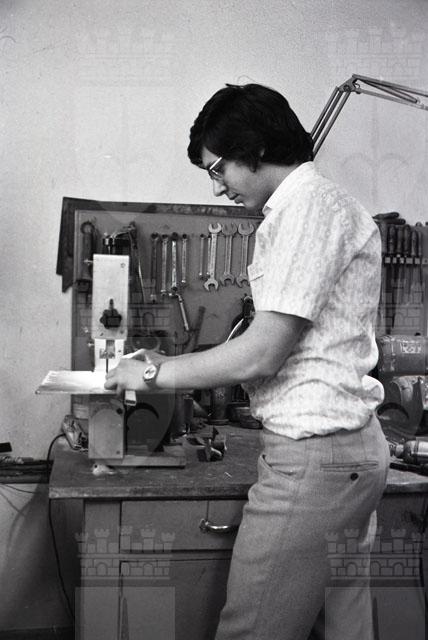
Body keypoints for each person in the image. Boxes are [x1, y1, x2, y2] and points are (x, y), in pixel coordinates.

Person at [104, 83, 390, 640]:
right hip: (345, 452)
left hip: (317, 458)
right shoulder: (309, 207)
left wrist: (154, 372)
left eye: (218, 169)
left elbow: (262, 353)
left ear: (254, 149)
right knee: (341, 628)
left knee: (253, 629)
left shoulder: (308, 208)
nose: (217, 188)